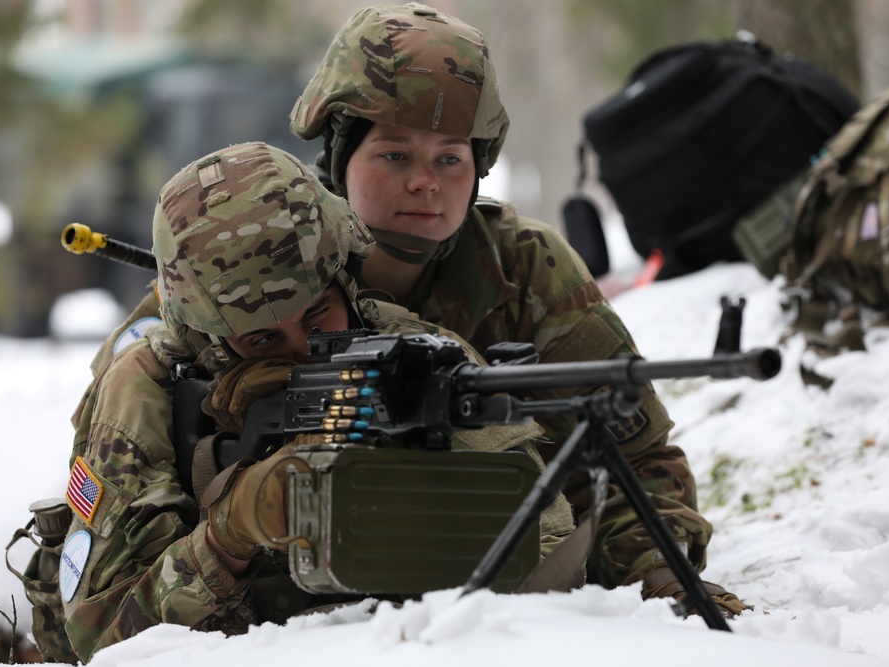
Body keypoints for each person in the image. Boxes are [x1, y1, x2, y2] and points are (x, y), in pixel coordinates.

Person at [286, 2, 744, 612]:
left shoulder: (522, 266)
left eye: (450, 157)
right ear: (340, 156)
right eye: (395, 154)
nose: (426, 181)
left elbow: (638, 461)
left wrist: (656, 573)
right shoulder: (269, 254)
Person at [58, 141, 575, 662]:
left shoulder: (416, 357)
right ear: (210, 339)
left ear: (343, 278)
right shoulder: (147, 390)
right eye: (262, 340)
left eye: (317, 316)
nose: (304, 352)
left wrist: (413, 505)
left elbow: (550, 564)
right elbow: (99, 640)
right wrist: (229, 533)